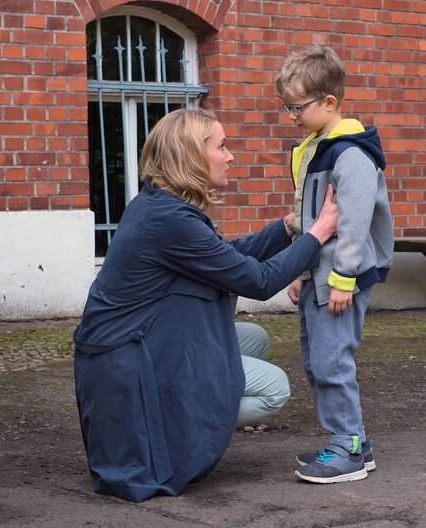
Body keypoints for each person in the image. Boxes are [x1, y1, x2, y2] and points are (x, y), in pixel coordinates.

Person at [73, 107, 339, 502]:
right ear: (192, 155)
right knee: (275, 389)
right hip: (131, 365)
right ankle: (181, 427)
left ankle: (186, 415)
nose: (231, 156)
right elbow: (258, 280)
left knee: (253, 338)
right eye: (222, 146)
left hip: (131, 347)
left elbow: (224, 256)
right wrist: (318, 233)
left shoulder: (157, 205)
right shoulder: (170, 219)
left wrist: (288, 228)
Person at [274, 45, 394, 484]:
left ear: (329, 102)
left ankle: (348, 450)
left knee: (332, 362)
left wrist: (342, 279)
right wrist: (302, 272)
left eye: (298, 106)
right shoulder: (316, 148)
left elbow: (355, 222)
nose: (291, 115)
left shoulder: (350, 154)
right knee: (316, 360)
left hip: (342, 280)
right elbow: (315, 221)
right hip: (320, 277)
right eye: (286, 106)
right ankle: (351, 441)